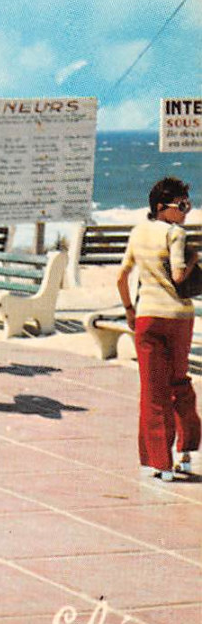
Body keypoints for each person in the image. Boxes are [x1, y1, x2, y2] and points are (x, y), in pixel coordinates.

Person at [116, 177, 198, 482]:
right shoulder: (176, 234)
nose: (186, 212)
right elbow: (178, 276)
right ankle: (186, 450)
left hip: (147, 318)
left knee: (152, 391)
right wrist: (193, 261)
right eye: (182, 205)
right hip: (178, 317)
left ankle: (158, 463)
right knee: (179, 383)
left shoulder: (138, 232)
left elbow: (122, 277)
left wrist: (128, 310)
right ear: (163, 207)